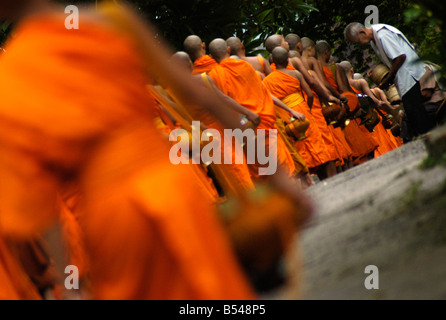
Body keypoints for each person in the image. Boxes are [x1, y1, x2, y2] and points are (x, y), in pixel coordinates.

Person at [0, 0, 260, 300]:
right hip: (170, 185)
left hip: (109, 215)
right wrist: (274, 173)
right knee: (213, 290)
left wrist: (70, 283)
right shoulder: (109, 19)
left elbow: (42, 200)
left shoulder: (13, 75)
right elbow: (191, 90)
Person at [344, 22, 436, 141]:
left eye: (357, 42)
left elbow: (400, 57)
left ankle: (434, 142)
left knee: (417, 115)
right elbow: (392, 57)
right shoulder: (374, 39)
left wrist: (388, 79)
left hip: (410, 76)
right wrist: (379, 66)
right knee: (415, 115)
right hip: (406, 78)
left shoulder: (382, 35)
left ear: (362, 33)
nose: (359, 45)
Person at [263, 47, 333, 181]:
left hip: (286, 114)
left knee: (299, 147)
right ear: (288, 59)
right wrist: (308, 108)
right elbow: (310, 94)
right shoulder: (296, 74)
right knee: (316, 142)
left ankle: (308, 177)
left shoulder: (267, 80)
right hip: (302, 109)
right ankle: (328, 179)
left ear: (273, 62)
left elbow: (271, 99)